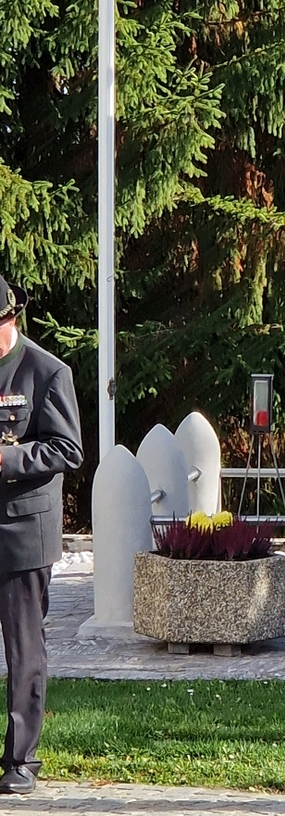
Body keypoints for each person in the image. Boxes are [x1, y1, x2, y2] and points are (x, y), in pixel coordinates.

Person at [0, 277, 83, 794]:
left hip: (22, 532)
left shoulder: (47, 371)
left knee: (24, 651)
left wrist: (7, 458)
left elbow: (68, 449)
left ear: (8, 320)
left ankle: (21, 760)